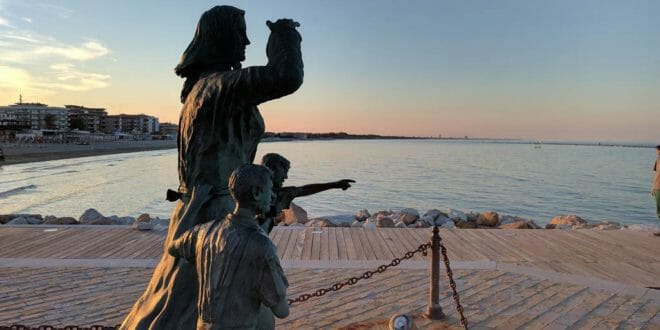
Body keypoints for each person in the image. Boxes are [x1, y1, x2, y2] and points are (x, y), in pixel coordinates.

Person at [122, 6, 303, 329]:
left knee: (181, 300)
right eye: (239, 33)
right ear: (219, 38)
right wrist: (284, 35)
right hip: (216, 212)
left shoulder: (203, 88)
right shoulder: (218, 86)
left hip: (204, 206)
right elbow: (286, 76)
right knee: (203, 303)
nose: (247, 42)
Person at [169, 164, 288, 329]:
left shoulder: (203, 232)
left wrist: (193, 206)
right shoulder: (262, 246)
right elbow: (282, 310)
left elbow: (172, 246)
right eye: (270, 190)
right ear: (256, 192)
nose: (273, 196)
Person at [259, 153, 355, 232]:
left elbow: (304, 190)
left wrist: (334, 184)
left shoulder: (279, 194)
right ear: (272, 170)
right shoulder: (255, 193)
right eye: (284, 171)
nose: (286, 177)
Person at [653, 145, 660, 220]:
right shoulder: (657, 160)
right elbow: (656, 174)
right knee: (659, 209)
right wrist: (653, 187)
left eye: (657, 150)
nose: (657, 152)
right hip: (657, 187)